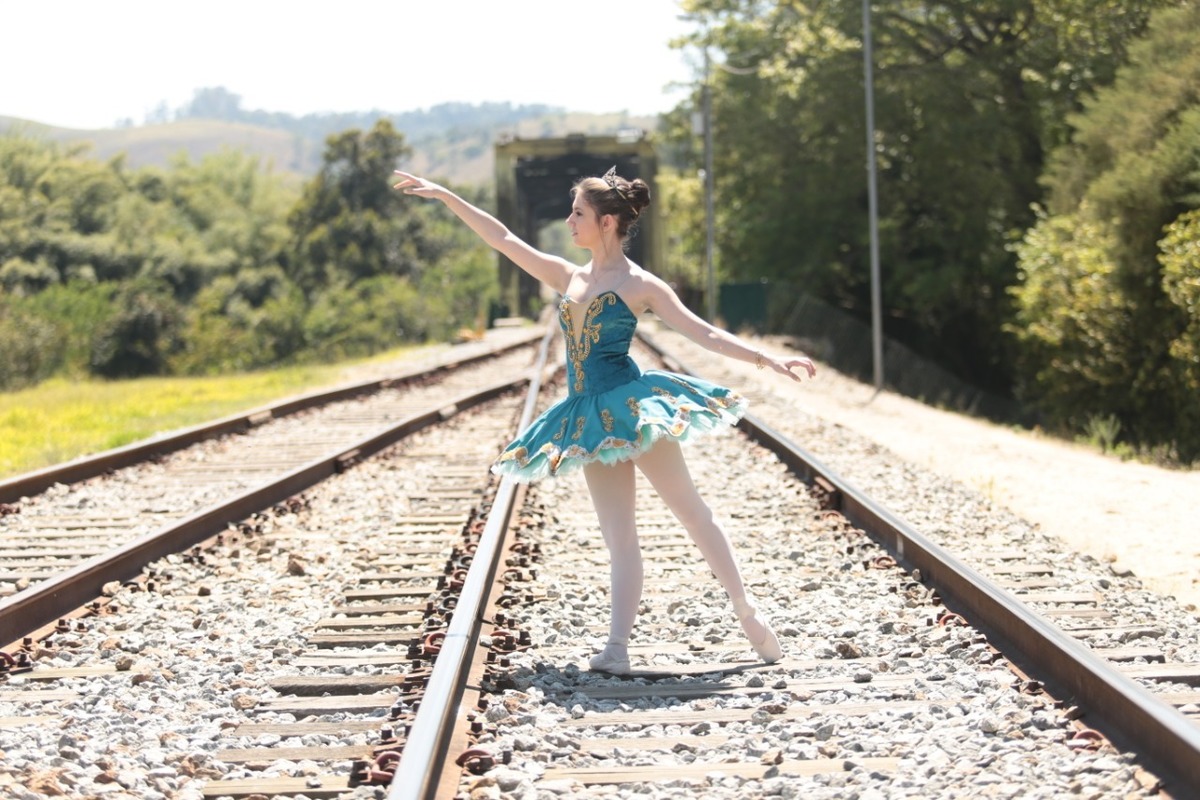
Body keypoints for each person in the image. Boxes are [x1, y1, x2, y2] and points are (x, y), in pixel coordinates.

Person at [392, 166, 816, 674]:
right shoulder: (568, 276)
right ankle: (617, 647)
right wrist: (446, 195)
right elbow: (503, 238)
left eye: (579, 214)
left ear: (608, 222)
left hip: (634, 408)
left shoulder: (641, 285)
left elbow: (702, 333)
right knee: (619, 537)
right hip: (590, 417)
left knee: (692, 514)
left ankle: (747, 612)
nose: (569, 221)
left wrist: (767, 360)